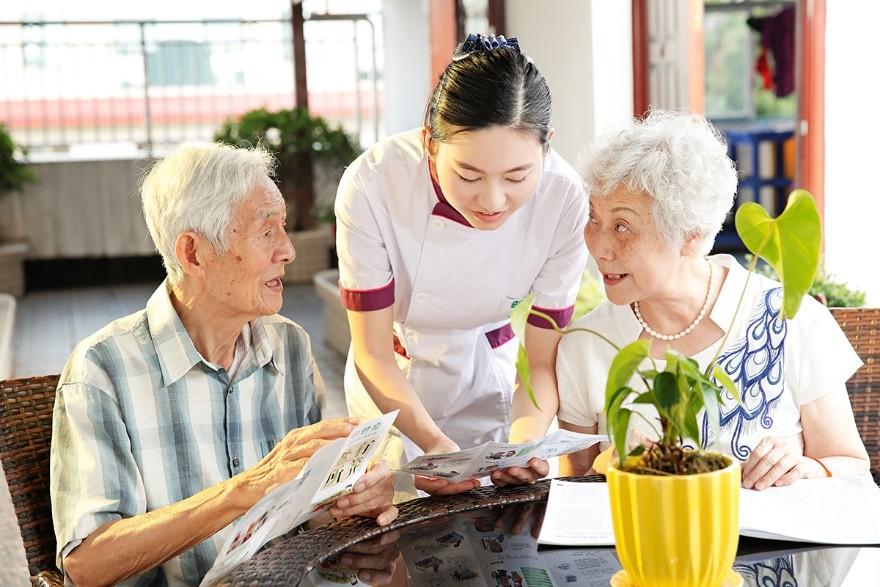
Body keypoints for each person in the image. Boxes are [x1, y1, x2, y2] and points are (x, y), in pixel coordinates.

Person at [50, 143, 397, 586]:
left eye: (284, 229)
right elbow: (87, 565)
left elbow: (310, 517)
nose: (288, 251)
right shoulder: (103, 370)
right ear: (193, 253)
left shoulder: (290, 346)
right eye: (266, 232)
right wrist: (245, 491)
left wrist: (354, 499)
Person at [546, 110, 869, 487]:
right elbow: (572, 493)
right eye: (593, 218)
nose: (599, 247)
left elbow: (849, 462)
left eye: (622, 226)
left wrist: (808, 468)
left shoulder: (789, 321)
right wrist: (606, 466)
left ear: (690, 236)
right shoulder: (584, 345)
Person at [334, 34, 588, 496]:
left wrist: (526, 443)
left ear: (547, 145)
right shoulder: (373, 183)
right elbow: (371, 351)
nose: (492, 201)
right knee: (393, 537)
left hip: (489, 364)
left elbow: (542, 362)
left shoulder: (565, 199)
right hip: (392, 373)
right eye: (468, 176)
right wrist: (431, 444)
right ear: (430, 143)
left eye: (517, 177)